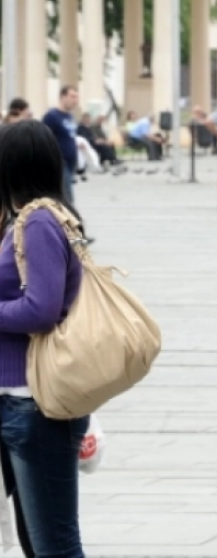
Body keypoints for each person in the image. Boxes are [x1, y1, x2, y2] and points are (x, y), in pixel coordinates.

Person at [0, 120, 87, 556]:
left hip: (33, 405)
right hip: (19, 401)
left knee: (54, 544)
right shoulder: (31, 218)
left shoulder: (38, 222)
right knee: (39, 542)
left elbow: (42, 308)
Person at [42, 86, 80, 204]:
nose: (76, 100)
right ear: (63, 97)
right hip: (59, 162)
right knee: (66, 197)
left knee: (66, 195)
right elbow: (43, 137)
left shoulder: (70, 116)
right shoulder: (52, 116)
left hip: (70, 163)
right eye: (72, 96)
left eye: (77, 97)